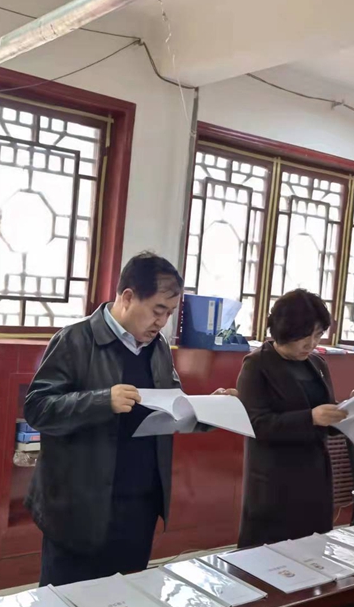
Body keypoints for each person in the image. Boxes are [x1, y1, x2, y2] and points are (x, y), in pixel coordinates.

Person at [24, 251, 235, 587]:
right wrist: (101, 401)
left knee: (128, 603)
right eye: (157, 310)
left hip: (139, 505)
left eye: (169, 314)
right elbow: (37, 408)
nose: (161, 322)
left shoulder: (158, 347)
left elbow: (172, 405)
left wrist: (211, 410)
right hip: (80, 509)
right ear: (127, 297)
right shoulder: (75, 340)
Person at [235, 289, 353, 548]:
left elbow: (324, 417)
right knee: (269, 560)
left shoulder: (317, 364)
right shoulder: (256, 365)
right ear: (284, 329)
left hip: (315, 479)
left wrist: (349, 410)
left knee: (313, 555)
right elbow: (256, 424)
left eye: (318, 334)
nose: (311, 343)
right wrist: (310, 418)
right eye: (304, 335)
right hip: (275, 483)